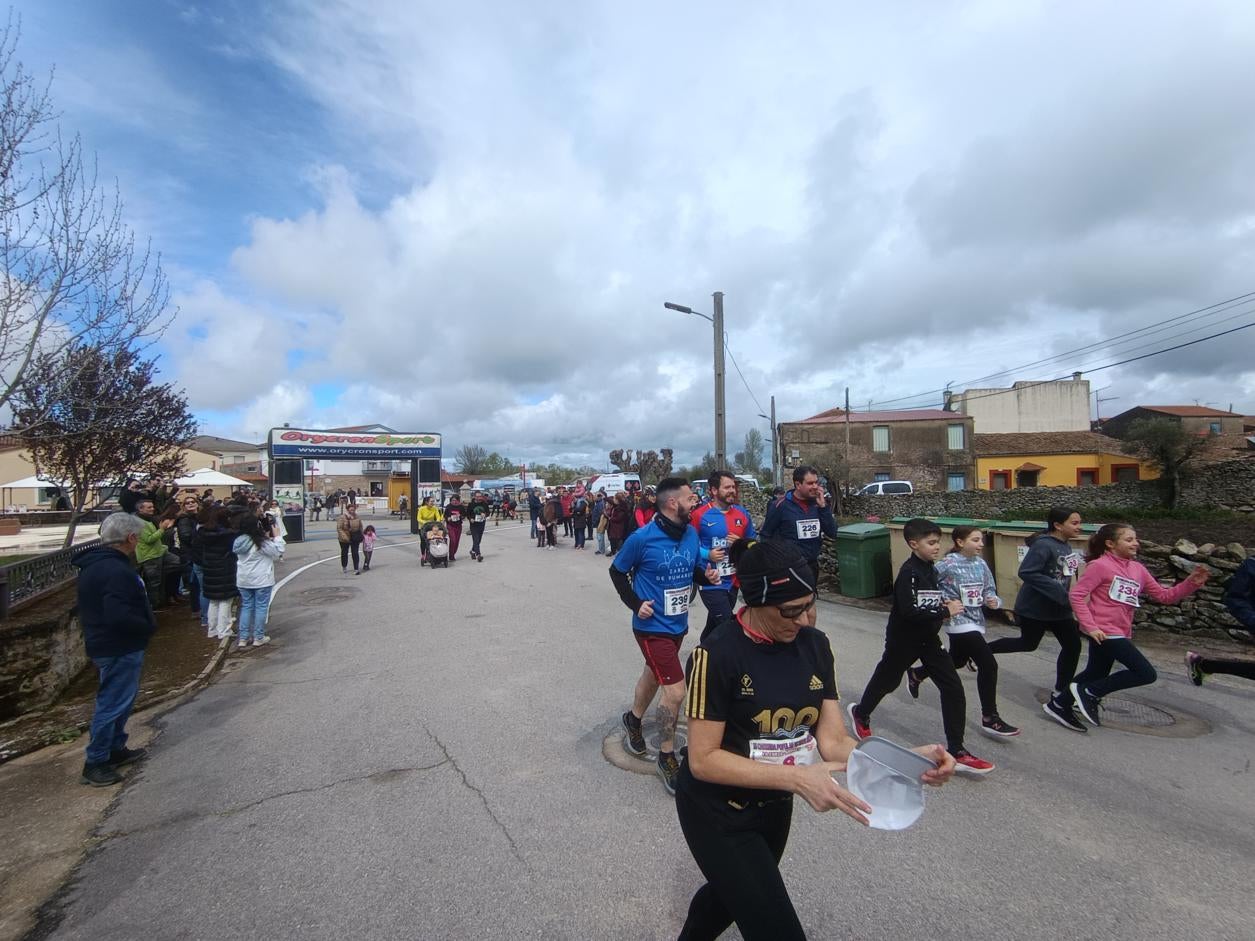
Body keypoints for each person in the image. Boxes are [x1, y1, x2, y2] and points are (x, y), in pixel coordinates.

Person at [677, 536, 955, 939]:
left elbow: (833, 742)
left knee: (730, 895)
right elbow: (703, 759)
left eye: (811, 605)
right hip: (717, 811)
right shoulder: (715, 656)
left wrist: (907, 759)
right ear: (754, 603)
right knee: (775, 925)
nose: (805, 620)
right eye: (791, 611)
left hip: (773, 807)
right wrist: (796, 778)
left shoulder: (815, 645)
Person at [846, 518, 995, 775]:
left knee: (953, 688)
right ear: (914, 544)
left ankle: (957, 750)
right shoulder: (909, 573)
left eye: (938, 542)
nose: (937, 547)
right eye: (931, 543)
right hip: (903, 641)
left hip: (929, 641)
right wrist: (944, 610)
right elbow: (910, 610)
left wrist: (945, 602)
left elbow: (930, 599)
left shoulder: (931, 568)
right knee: (888, 681)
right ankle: (861, 712)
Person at [610, 477, 721, 794]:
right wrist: (635, 603)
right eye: (690, 497)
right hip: (651, 627)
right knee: (674, 692)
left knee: (654, 674)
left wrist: (707, 576)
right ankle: (667, 757)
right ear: (673, 503)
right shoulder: (642, 538)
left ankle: (633, 719)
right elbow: (617, 571)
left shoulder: (689, 532)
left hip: (678, 623)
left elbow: (688, 567)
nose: (695, 500)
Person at [1068, 523, 1208, 724]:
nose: (1135, 543)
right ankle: (1089, 692)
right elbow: (1077, 595)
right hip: (1104, 630)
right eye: (1129, 539)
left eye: (1135, 539)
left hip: (1121, 630)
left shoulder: (1138, 569)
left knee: (1095, 672)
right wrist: (1091, 626)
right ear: (1110, 544)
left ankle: (1060, 704)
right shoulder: (1100, 565)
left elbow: (1163, 596)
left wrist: (1190, 583)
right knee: (1145, 673)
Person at [907, 526, 1019, 738]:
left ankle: (917, 673)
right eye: (975, 540)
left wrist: (993, 600)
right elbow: (927, 585)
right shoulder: (946, 564)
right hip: (957, 620)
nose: (981, 544)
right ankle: (990, 717)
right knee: (988, 664)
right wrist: (943, 604)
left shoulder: (981, 563)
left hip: (976, 620)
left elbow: (989, 589)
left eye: (981, 540)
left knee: (957, 661)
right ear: (960, 542)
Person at [72, 513, 158, 787]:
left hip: (110, 642)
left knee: (121, 700)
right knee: (112, 703)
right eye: (138, 537)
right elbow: (118, 615)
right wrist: (146, 627)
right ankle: (96, 761)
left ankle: (115, 748)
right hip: (118, 645)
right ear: (131, 538)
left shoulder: (99, 565)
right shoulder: (115, 571)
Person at [988, 506, 1088, 732]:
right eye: (1074, 523)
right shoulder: (1044, 545)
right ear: (1058, 525)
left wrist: (1070, 595)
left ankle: (1061, 692)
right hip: (1036, 608)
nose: (1079, 527)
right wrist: (1060, 593)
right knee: (1028, 643)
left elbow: (1064, 574)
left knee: (1072, 645)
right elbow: (1028, 572)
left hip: (1059, 610)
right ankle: (982, 651)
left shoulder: (1065, 545)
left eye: (1079, 522)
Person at [690, 470, 751, 642]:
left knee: (714, 626)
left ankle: (704, 651)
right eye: (727, 487)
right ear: (714, 490)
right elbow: (688, 545)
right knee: (727, 623)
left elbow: (753, 543)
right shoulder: (699, 515)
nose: (732, 490)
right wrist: (706, 553)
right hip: (710, 581)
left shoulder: (742, 514)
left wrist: (741, 543)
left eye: (733, 487)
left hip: (733, 580)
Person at [760, 465, 837, 587]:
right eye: (810, 483)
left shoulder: (819, 505)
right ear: (798, 485)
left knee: (809, 601)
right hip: (788, 566)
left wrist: (823, 508)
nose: (815, 487)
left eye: (816, 482)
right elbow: (766, 535)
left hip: (811, 565)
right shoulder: (779, 506)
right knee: (792, 604)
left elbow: (832, 532)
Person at [1188, 555, 1255, 684]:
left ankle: (1204, 665)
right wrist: (1252, 620)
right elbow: (1236, 599)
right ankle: (1203, 665)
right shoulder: (1252, 564)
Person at [232, 513, 285, 650]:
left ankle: (243, 638)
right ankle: (258, 637)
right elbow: (277, 552)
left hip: (243, 579)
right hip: (261, 579)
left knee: (246, 606)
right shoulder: (260, 542)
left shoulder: (239, 541)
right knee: (261, 607)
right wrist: (278, 536)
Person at [133, 498, 182, 608]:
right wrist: (162, 529)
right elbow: (149, 539)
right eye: (149, 507)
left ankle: (165, 597)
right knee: (154, 583)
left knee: (178, 563)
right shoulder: (139, 523)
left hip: (160, 552)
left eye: (152, 506)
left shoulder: (148, 519)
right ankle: (154, 606)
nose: (152, 509)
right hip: (149, 556)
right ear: (141, 509)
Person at [199, 506, 239, 639]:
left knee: (214, 601)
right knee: (225, 601)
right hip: (225, 568)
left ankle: (213, 629)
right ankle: (224, 630)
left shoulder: (203, 532)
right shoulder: (228, 534)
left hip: (210, 567)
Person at [176, 495, 203, 619]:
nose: (190, 504)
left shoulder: (201, 517)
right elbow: (186, 537)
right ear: (184, 506)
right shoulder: (184, 520)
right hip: (190, 555)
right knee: (194, 583)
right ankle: (196, 609)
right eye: (187, 503)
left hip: (200, 553)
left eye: (193, 502)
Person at [337, 503, 365, 574]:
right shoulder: (342, 517)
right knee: (344, 553)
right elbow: (339, 528)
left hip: (355, 537)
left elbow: (360, 527)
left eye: (353, 509)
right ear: (347, 510)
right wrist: (345, 537)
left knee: (355, 553)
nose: (352, 511)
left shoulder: (357, 517)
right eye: (351, 510)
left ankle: (356, 568)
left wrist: (362, 536)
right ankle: (344, 566)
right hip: (344, 538)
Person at [417, 496, 443, 564]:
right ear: (426, 502)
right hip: (423, 527)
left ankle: (432, 554)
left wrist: (437, 522)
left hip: (431, 527)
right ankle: (423, 555)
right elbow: (418, 518)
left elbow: (438, 517)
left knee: (432, 540)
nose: (432, 503)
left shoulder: (434, 508)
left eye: (433, 501)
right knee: (424, 542)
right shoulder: (421, 509)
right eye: (431, 501)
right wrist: (424, 522)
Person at [466, 490, 491, 561]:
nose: (479, 498)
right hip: (473, 524)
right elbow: (468, 514)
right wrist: (470, 519)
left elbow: (488, 513)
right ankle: (478, 555)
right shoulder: (471, 504)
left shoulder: (484, 504)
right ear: (474, 497)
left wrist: (485, 514)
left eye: (480, 496)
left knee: (479, 540)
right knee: (476, 539)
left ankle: (472, 551)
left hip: (481, 523)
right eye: (477, 496)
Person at [605, 491, 629, 556]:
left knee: (618, 546)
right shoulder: (617, 505)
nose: (613, 500)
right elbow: (609, 500)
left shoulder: (622, 508)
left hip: (618, 530)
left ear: (618, 500)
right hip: (614, 529)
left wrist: (610, 518)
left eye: (615, 498)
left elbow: (619, 518)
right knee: (613, 543)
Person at [443, 494, 464, 562]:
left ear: (458, 501)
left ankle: (453, 554)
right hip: (450, 526)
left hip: (458, 526)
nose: (454, 502)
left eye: (455, 500)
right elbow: (445, 515)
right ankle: (451, 555)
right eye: (453, 500)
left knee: (457, 541)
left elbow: (464, 515)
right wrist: (447, 518)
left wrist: (460, 516)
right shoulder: (448, 507)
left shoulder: (461, 507)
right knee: (453, 540)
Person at [592, 490, 609, 555]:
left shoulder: (600, 504)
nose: (594, 497)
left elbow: (600, 514)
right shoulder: (599, 503)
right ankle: (601, 549)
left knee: (600, 536)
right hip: (598, 522)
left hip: (600, 523)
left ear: (599, 497)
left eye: (595, 496)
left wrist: (596, 521)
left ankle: (601, 550)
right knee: (599, 536)